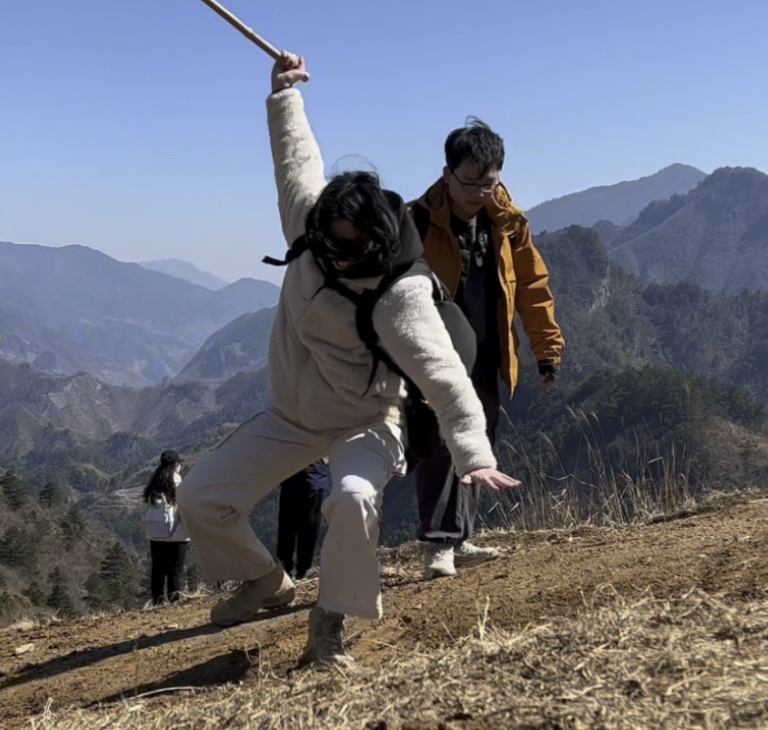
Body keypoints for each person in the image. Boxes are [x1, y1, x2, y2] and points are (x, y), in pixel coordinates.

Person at [179, 53, 520, 668]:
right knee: (201, 498)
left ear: (376, 245)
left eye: (347, 253)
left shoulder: (401, 294)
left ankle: (329, 625)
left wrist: (474, 454)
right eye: (325, 246)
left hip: (369, 420)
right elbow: (296, 160)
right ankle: (265, 581)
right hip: (294, 415)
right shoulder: (310, 227)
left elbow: (445, 377)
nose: (331, 261)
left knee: (355, 496)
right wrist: (284, 93)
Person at [410, 119, 564, 580]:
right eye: (470, 182)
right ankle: (439, 543)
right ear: (447, 173)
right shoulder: (417, 221)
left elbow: (534, 286)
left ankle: (463, 537)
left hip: (490, 350)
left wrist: (547, 348)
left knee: (479, 439)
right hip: (436, 352)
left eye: (489, 182)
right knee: (439, 441)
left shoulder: (509, 223)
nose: (479, 192)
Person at [142, 450, 190, 605]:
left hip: (155, 533)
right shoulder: (178, 484)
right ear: (176, 465)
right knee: (175, 571)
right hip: (176, 534)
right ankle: (174, 600)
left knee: (158, 571)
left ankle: (157, 601)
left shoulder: (154, 483)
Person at [275, 459, 330, 580]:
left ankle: (284, 568)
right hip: (313, 481)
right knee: (309, 528)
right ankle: (303, 570)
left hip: (292, 480)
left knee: (287, 528)